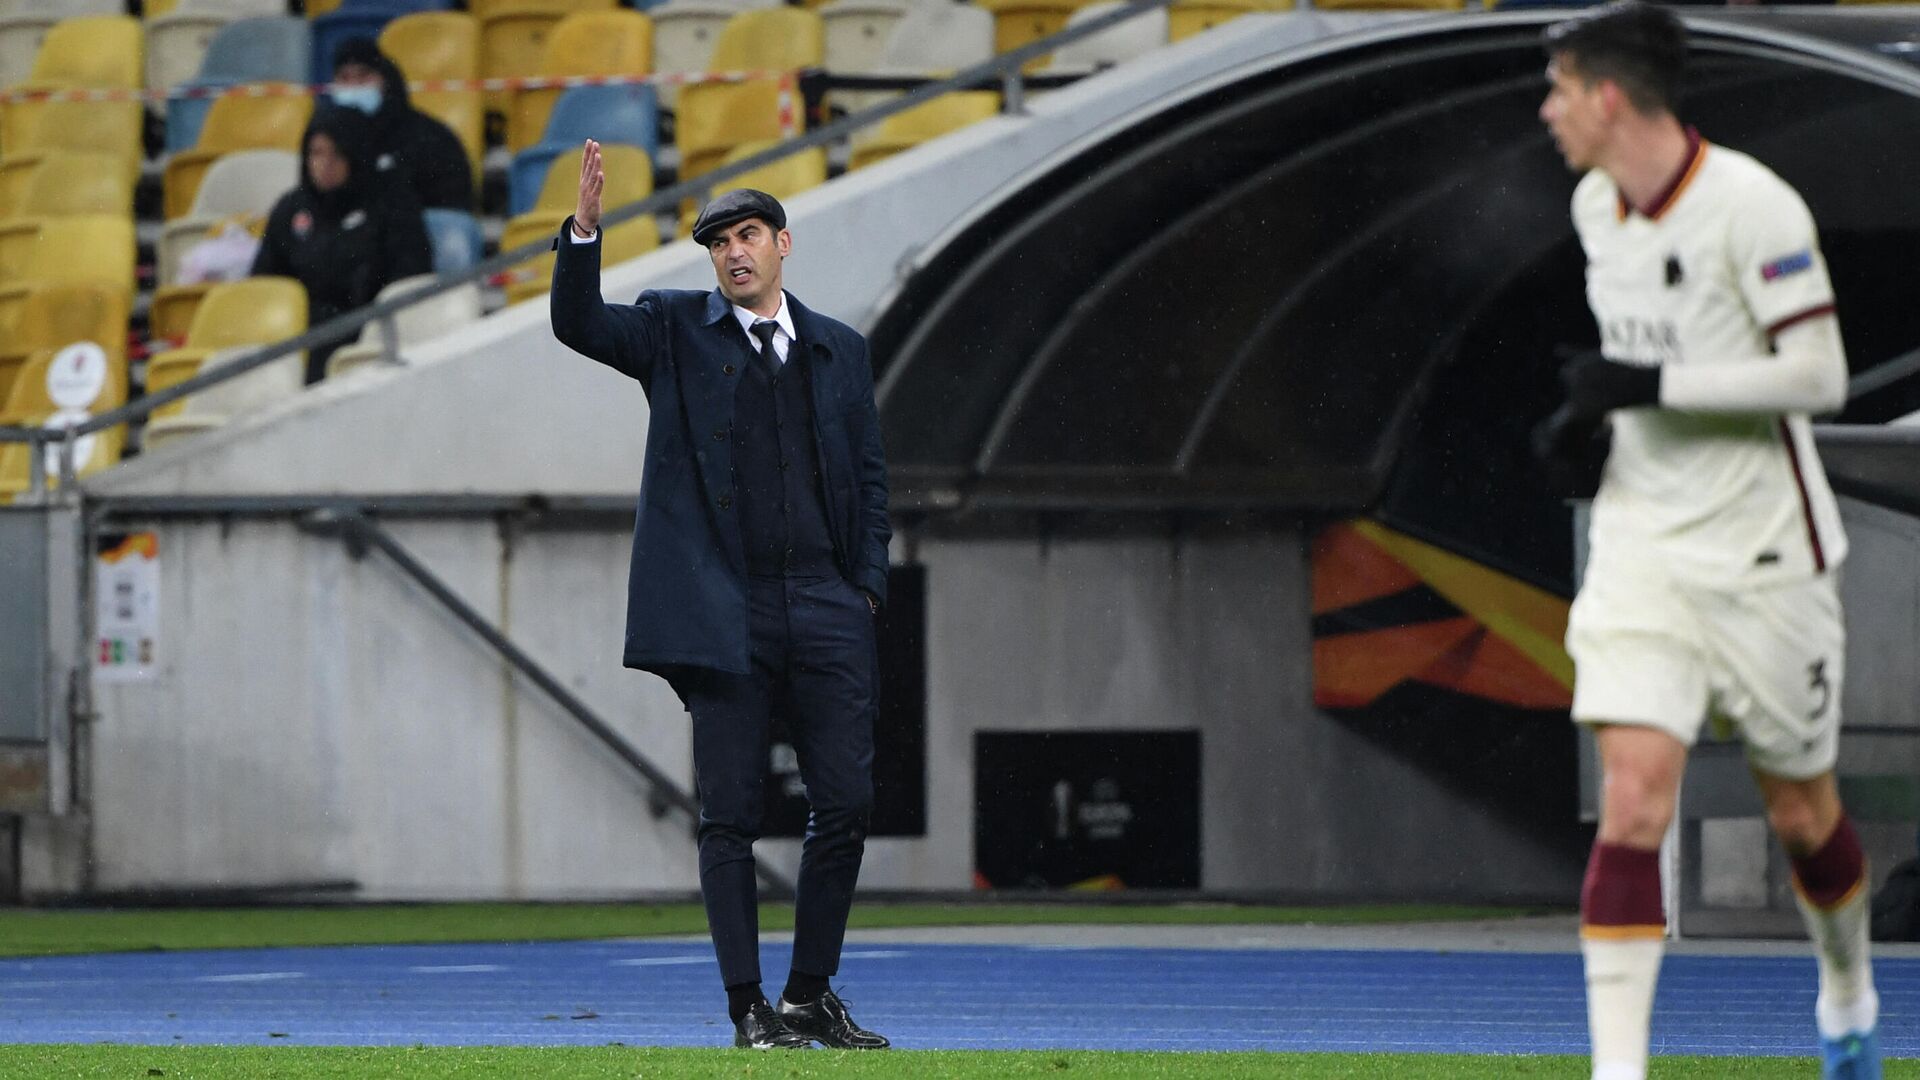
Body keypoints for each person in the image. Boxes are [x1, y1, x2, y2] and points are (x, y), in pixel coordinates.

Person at [1534, 4, 1879, 1079]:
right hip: (1644, 545)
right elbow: (1631, 368)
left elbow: (1819, 379)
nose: (1545, 113)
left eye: (1557, 89)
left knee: (1802, 813)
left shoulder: (1753, 207)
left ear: (1607, 97)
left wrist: (1653, 389)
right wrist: (1588, 430)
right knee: (1633, 798)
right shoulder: (1597, 207)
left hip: (1765, 551)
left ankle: (1846, 990)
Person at [548, 140, 892, 1052]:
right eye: (716, 243)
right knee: (730, 812)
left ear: (785, 243)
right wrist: (584, 233)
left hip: (825, 601)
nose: (732, 252)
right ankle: (749, 1007)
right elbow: (578, 325)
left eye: (747, 235)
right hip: (724, 608)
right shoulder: (671, 329)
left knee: (847, 802)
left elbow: (870, 475)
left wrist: (865, 588)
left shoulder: (840, 349)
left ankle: (810, 994)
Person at [252, 104, 433, 383]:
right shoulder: (291, 209)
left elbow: (408, 279)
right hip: (300, 340)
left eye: (336, 154)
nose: (325, 165)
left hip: (367, 338)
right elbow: (263, 284)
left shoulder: (394, 205)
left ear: (356, 155)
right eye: (316, 153)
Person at [330, 36, 473, 212]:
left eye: (363, 76)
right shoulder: (328, 139)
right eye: (344, 78)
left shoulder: (431, 137)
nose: (353, 87)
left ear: (385, 80)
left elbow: (453, 208)